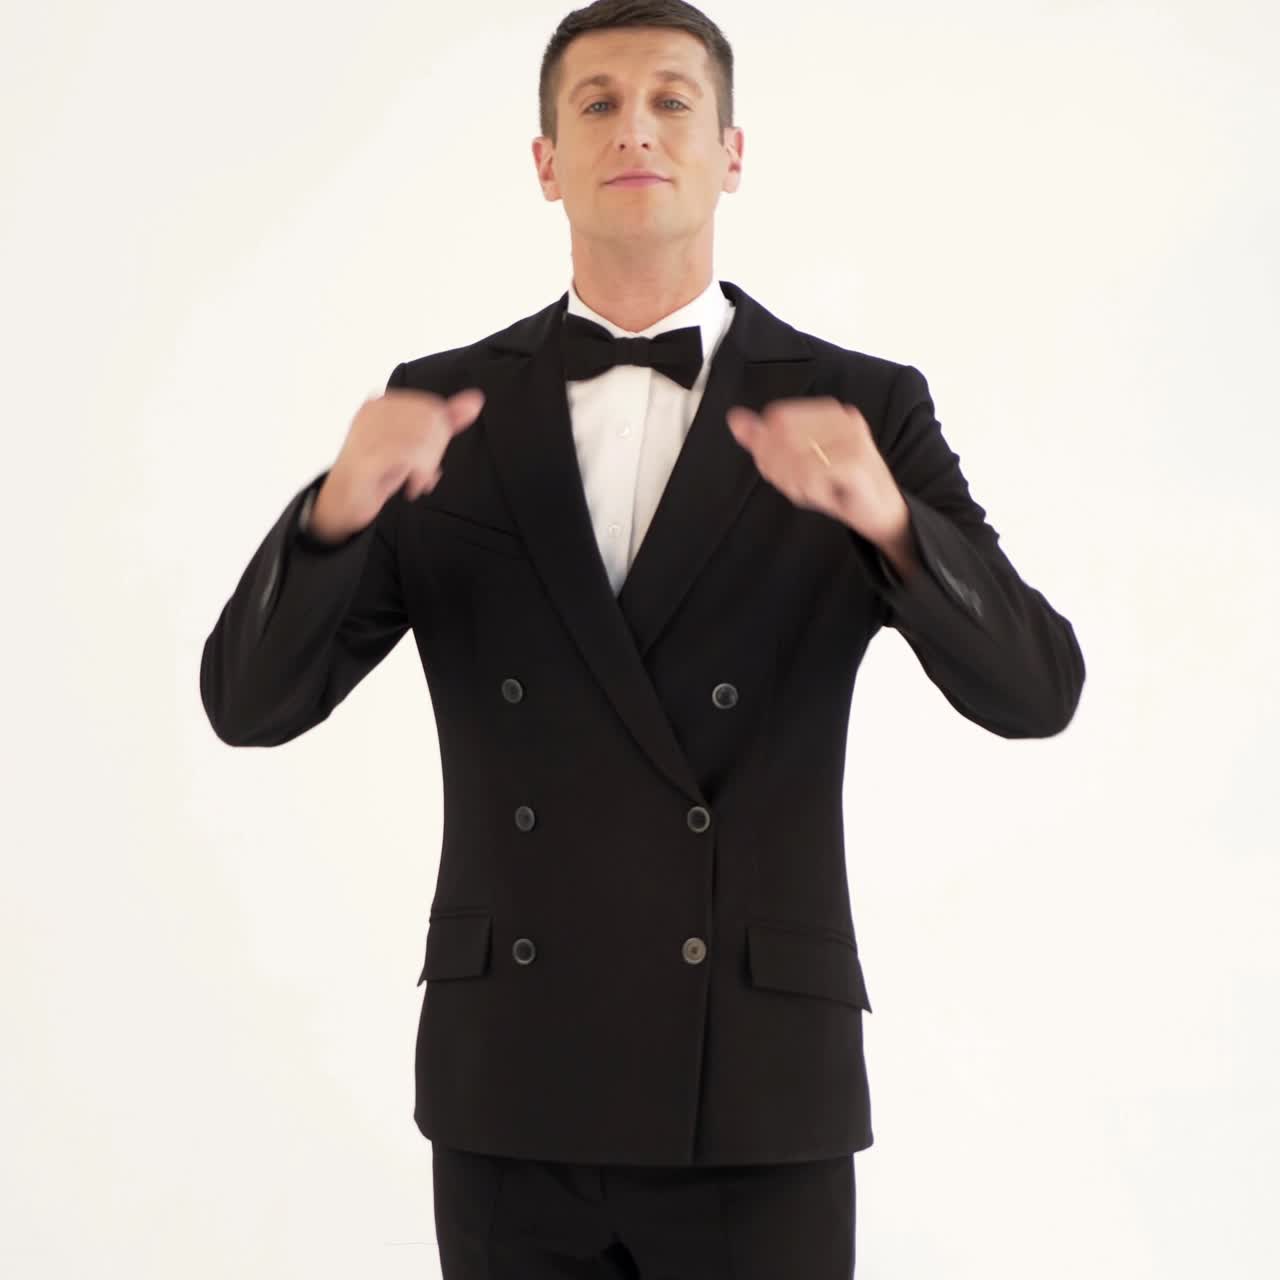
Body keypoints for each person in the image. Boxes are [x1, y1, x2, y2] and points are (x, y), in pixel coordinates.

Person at [199, 2, 1086, 1275]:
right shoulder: (447, 404)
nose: (636, 128)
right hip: (511, 1077)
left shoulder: (858, 405)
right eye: (597, 102)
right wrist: (333, 515)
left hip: (754, 1080)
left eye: (672, 99)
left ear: (730, 151)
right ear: (546, 160)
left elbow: (1035, 689)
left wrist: (892, 527)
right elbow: (248, 702)